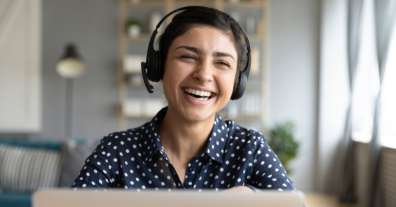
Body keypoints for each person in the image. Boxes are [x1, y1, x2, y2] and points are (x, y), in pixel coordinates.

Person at [72, 6, 294, 192]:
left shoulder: (249, 149)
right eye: (187, 57)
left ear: (237, 82)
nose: (204, 75)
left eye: (222, 63)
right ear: (159, 66)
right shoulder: (117, 149)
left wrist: (254, 197)